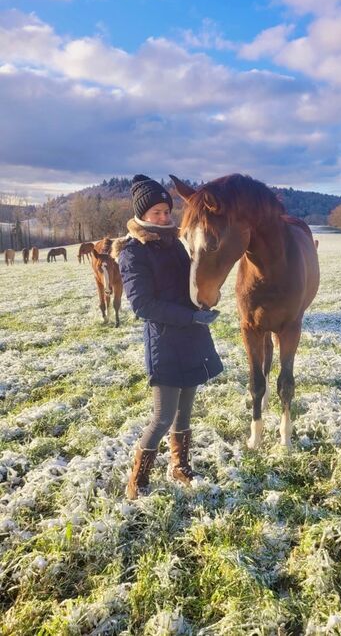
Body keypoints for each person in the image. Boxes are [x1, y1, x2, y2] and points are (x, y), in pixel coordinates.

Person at [116, 174, 223, 500]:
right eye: (156, 213)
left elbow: (190, 281)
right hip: (165, 342)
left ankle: (180, 466)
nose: (164, 217)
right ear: (142, 215)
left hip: (192, 337)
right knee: (162, 417)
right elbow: (143, 305)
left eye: (166, 211)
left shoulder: (176, 242)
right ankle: (138, 480)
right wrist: (191, 316)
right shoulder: (133, 252)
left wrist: (206, 296)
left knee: (185, 412)